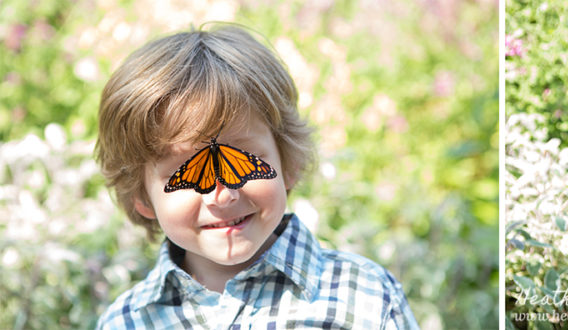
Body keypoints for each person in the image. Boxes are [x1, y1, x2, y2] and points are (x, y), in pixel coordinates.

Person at [95, 25, 419, 329]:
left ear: (287, 163)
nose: (222, 195)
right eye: (185, 173)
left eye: (245, 160)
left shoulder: (366, 298)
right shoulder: (126, 321)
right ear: (142, 197)